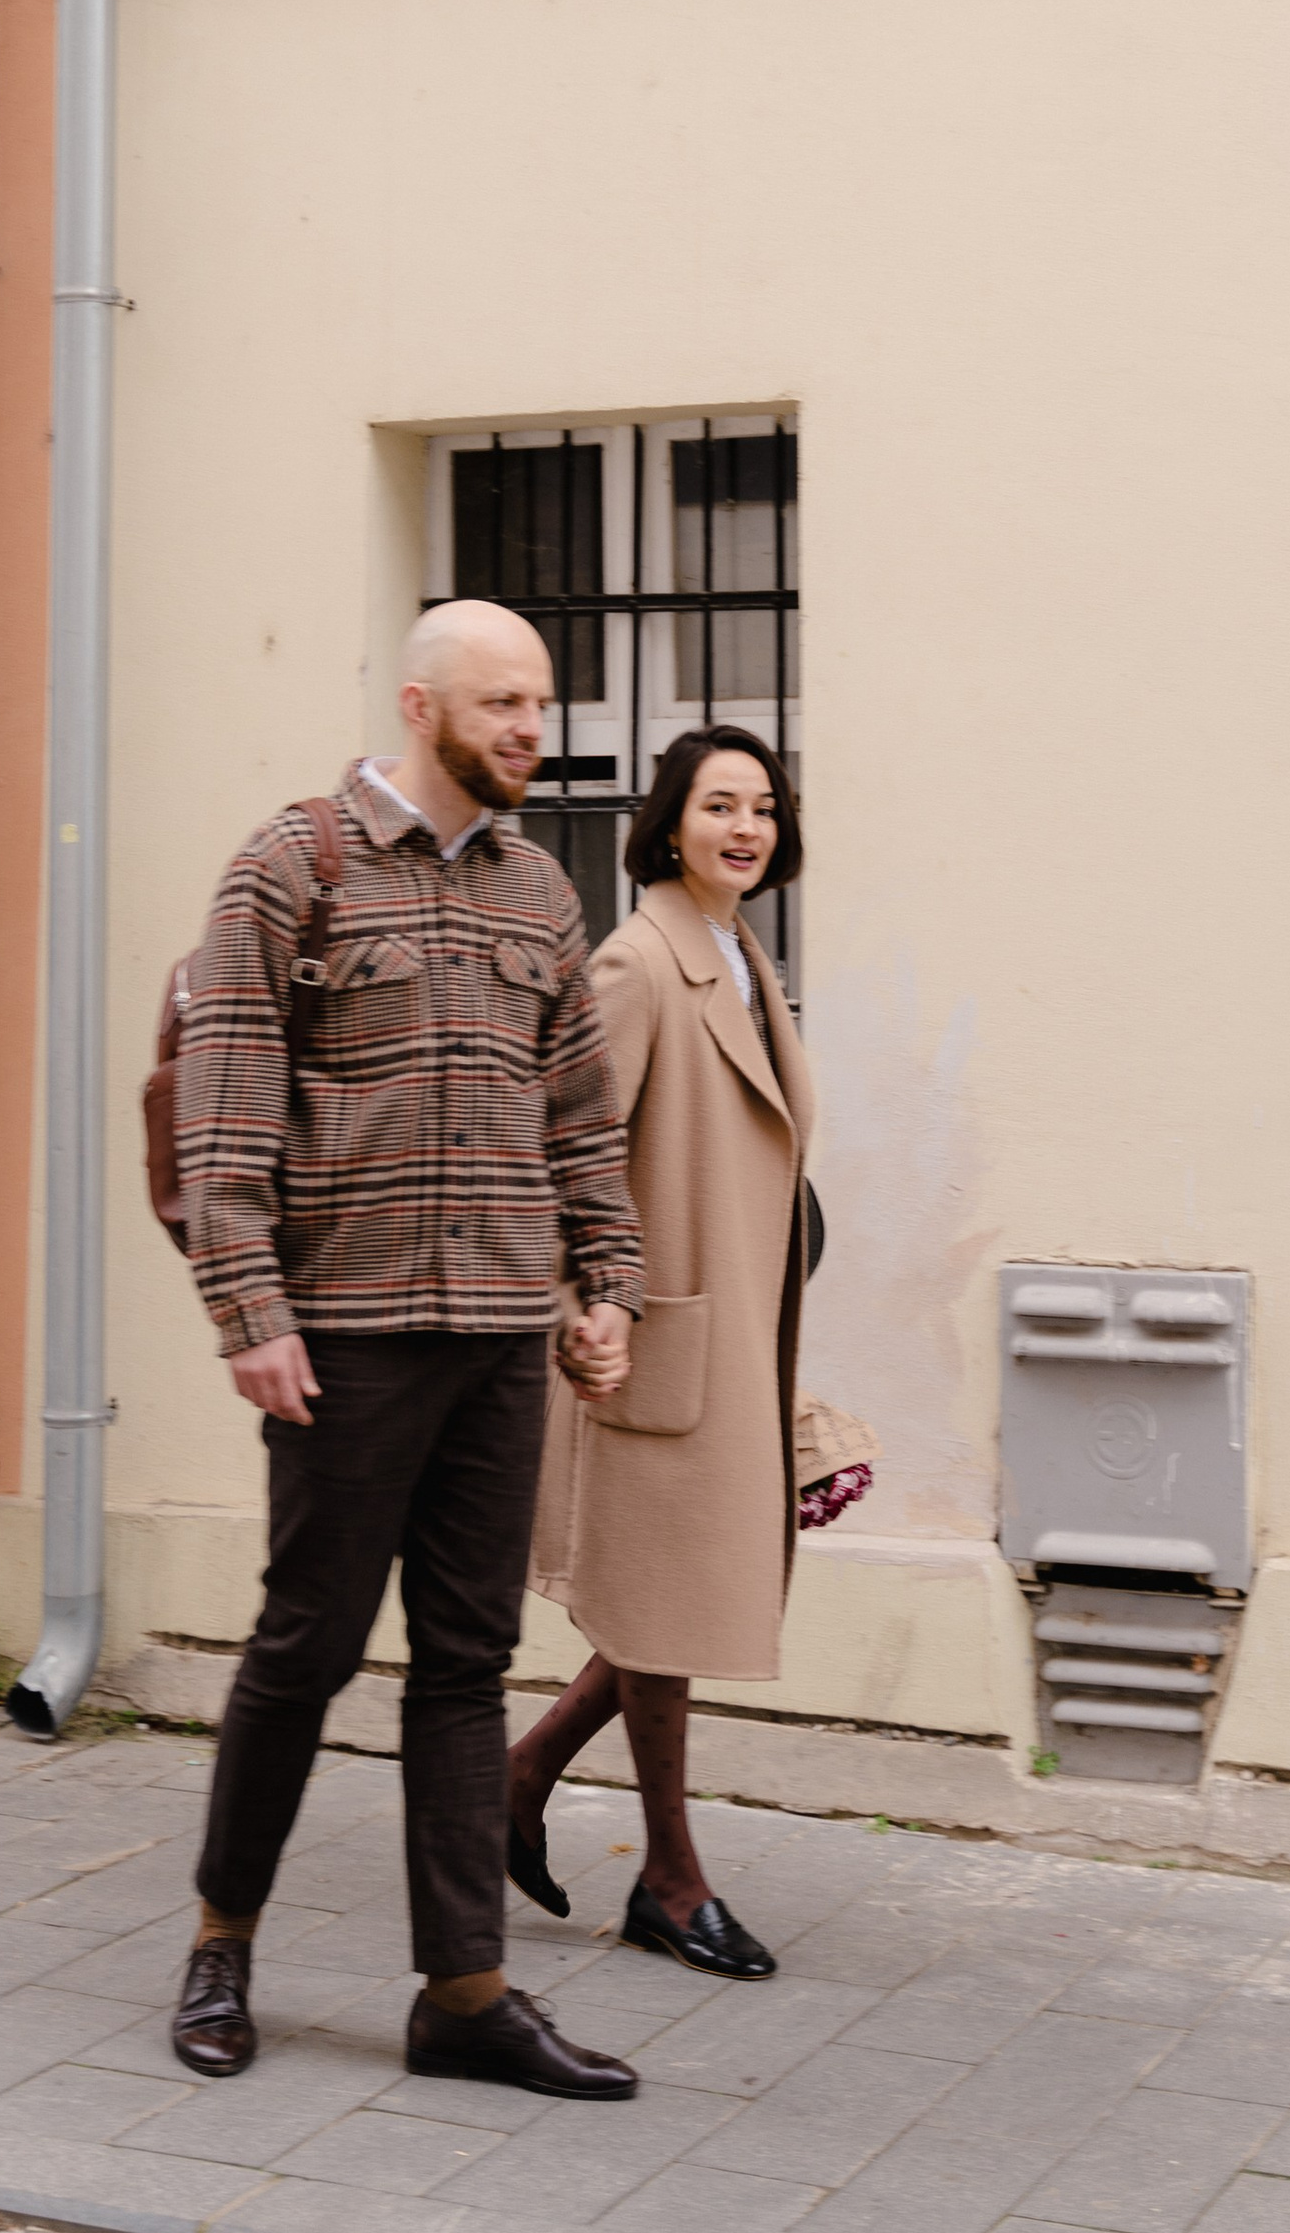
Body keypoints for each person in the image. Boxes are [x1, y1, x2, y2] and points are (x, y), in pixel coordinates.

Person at [167, 598, 646, 2100]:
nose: (530, 729)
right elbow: (226, 1106)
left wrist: (606, 1282)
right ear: (421, 707)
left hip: (503, 1334)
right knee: (303, 1650)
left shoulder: (539, 896)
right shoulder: (289, 868)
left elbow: (578, 1117)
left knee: (468, 1664)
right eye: (501, 704)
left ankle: (467, 1994)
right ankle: (220, 1942)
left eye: (541, 704)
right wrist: (248, 1312)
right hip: (348, 1336)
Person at [508, 724, 815, 1980]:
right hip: (652, 1340)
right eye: (718, 805)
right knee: (666, 1604)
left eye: (762, 807)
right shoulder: (640, 962)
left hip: (735, 1328)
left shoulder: (739, 954)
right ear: (668, 825)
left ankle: (517, 1780)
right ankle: (671, 1879)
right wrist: (595, 1310)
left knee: (671, 1602)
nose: (744, 826)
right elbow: (560, 1147)